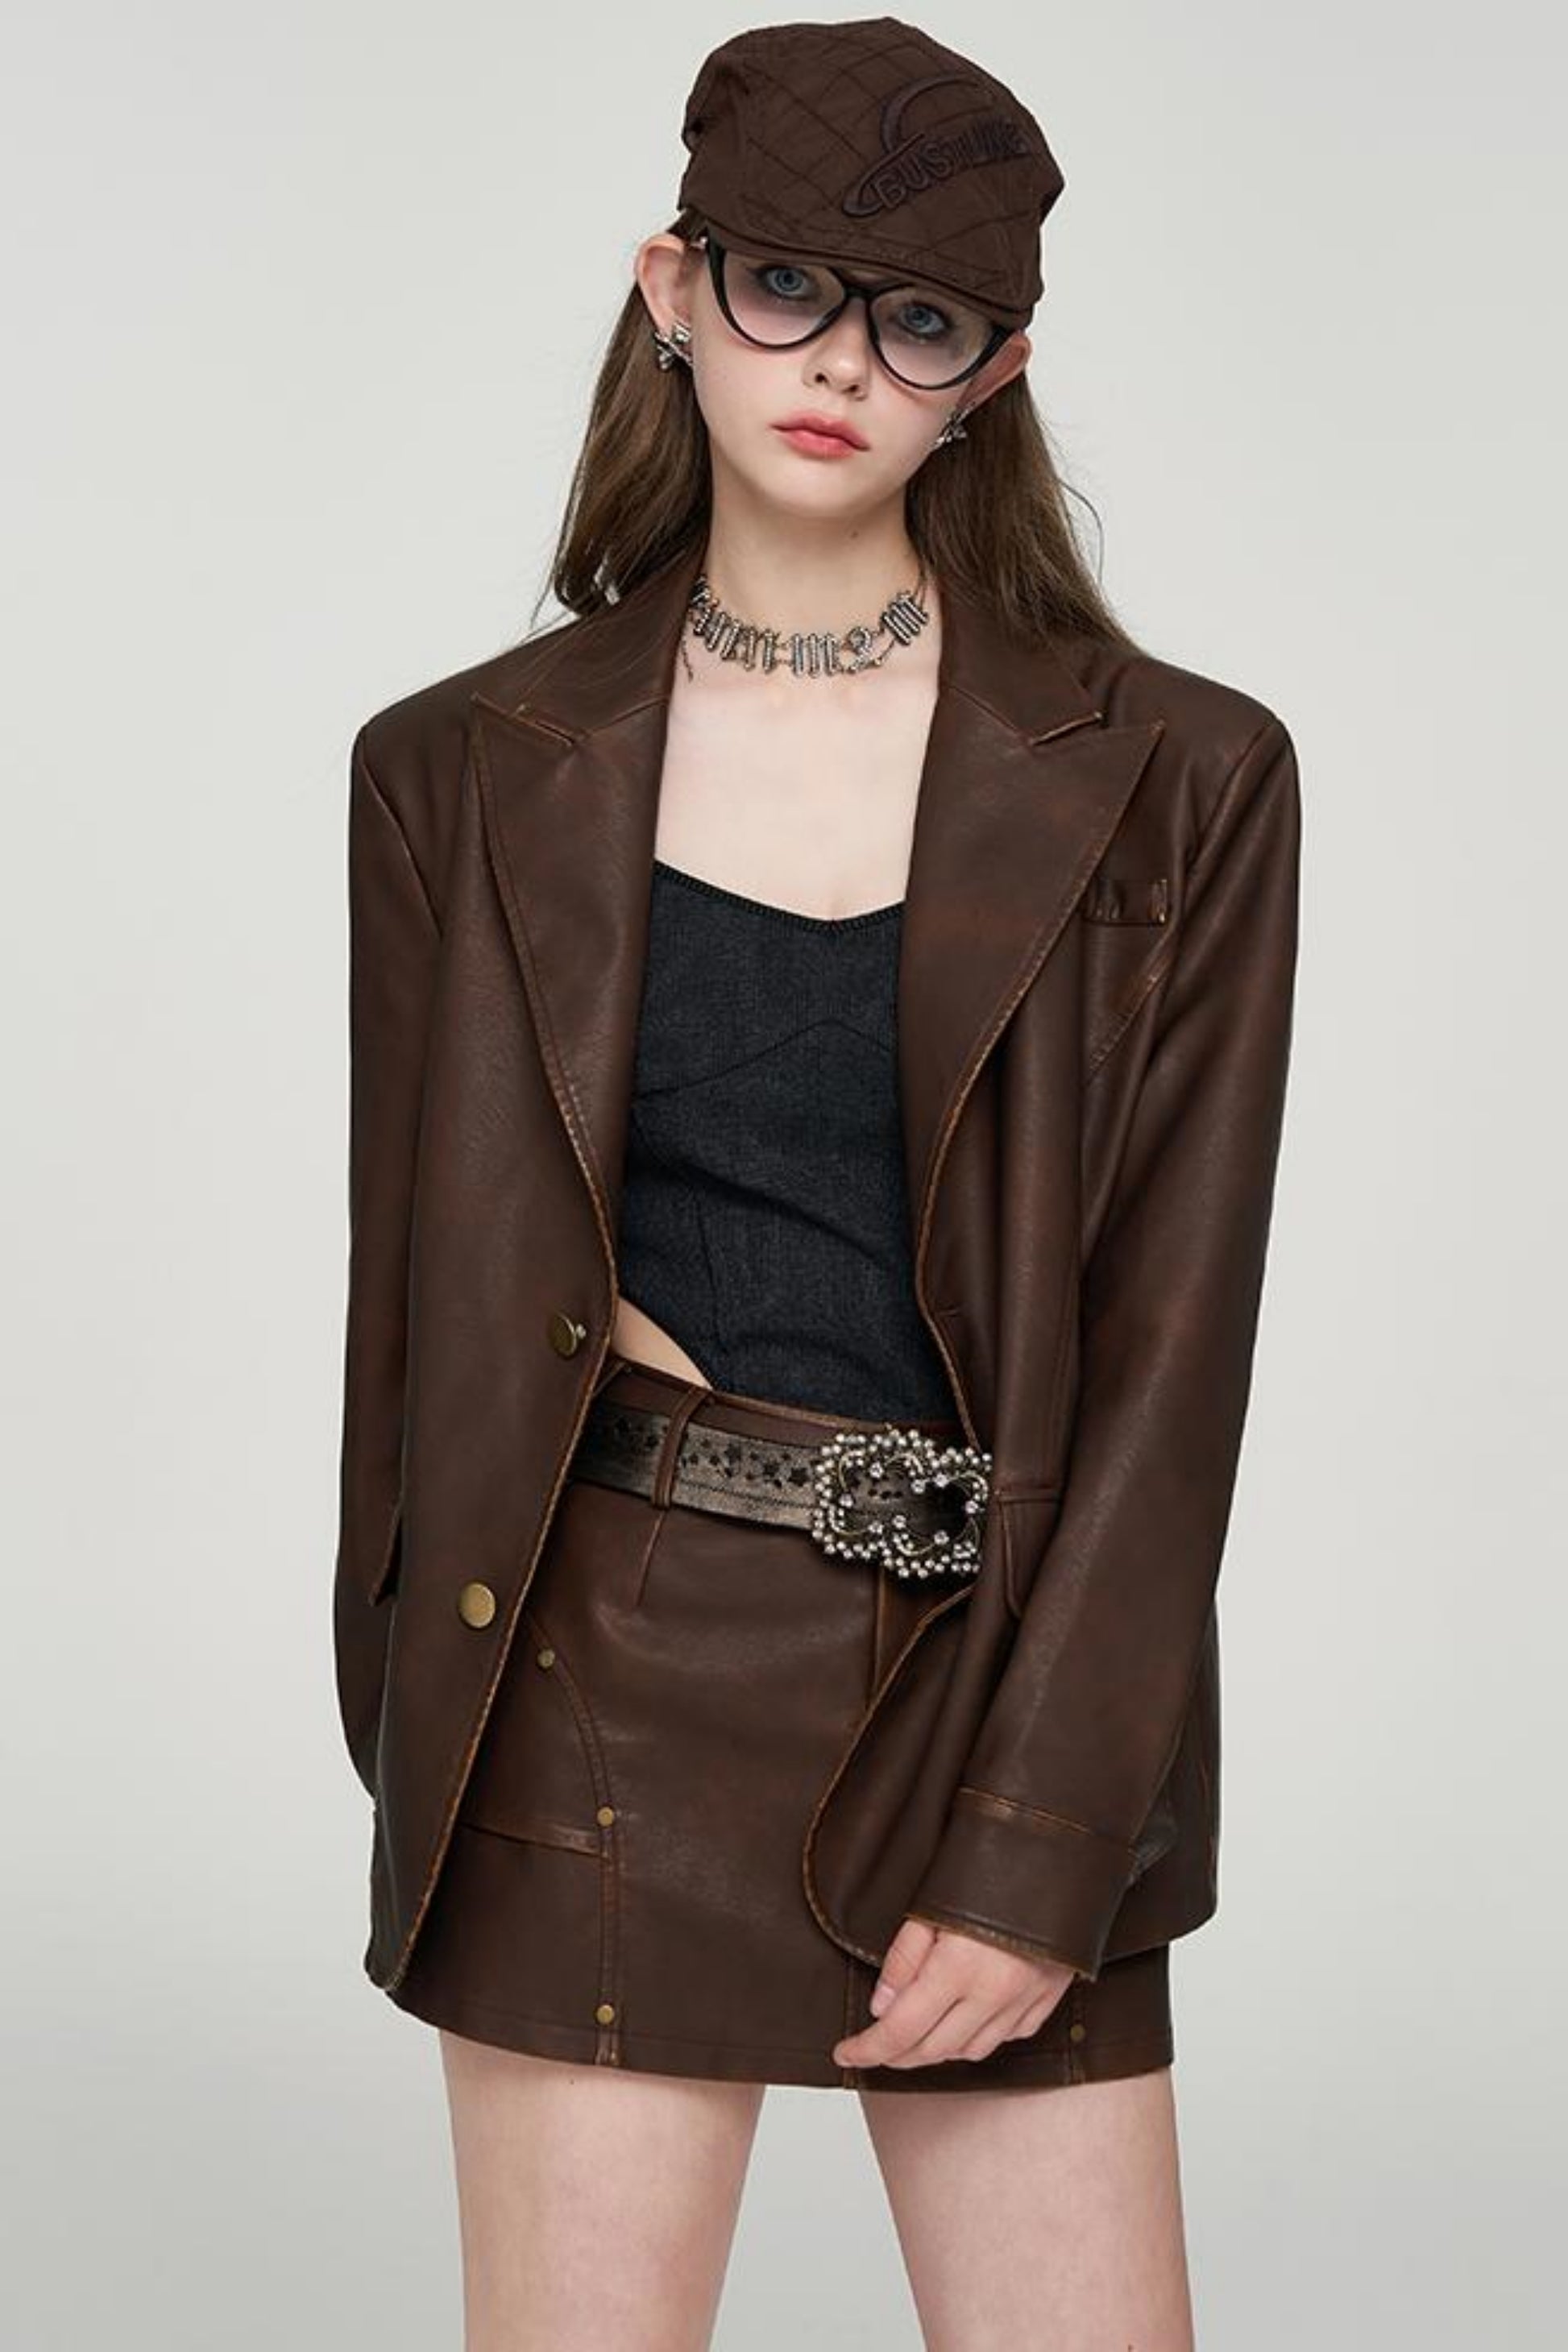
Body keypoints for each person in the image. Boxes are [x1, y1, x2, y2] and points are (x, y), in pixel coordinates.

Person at [332, 17, 1301, 2348]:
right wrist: (416, 1730)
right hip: (591, 1675)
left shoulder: (1181, 780)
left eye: (921, 319)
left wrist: (1047, 1835)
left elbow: (1174, 1362)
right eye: (785, 286)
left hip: (1002, 1682)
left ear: (996, 374)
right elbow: (419, 1311)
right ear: (671, 287)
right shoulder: (456, 772)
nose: (844, 362)